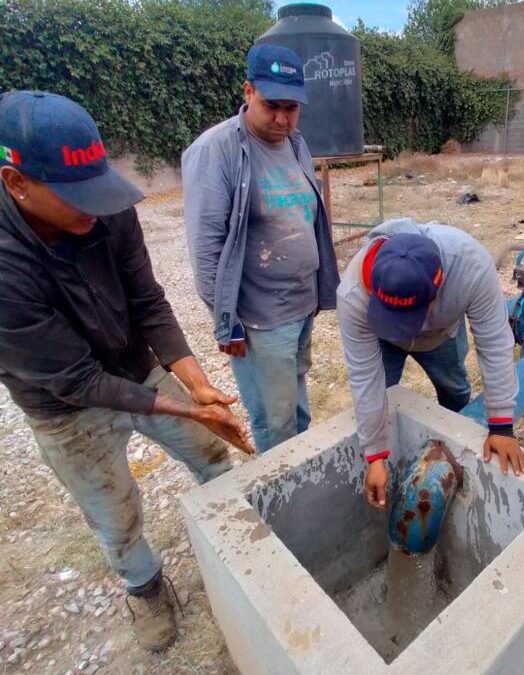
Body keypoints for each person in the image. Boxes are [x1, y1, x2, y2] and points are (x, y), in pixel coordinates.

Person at [0, 90, 255, 652]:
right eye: (77, 196)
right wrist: (188, 408)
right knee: (113, 512)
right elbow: (78, 380)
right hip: (63, 405)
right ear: (17, 184)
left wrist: (198, 387)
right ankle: (144, 587)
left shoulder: (105, 208)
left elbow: (148, 302)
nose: (95, 208)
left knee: (213, 455)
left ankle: (241, 548)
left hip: (136, 367)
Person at [182, 44, 339, 453]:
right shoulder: (216, 151)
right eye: (272, 106)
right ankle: (282, 489)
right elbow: (206, 247)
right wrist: (226, 320)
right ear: (248, 91)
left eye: (292, 108)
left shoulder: (295, 143)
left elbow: (308, 217)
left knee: (298, 410)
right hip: (261, 320)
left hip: (302, 306)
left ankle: (301, 473)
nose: (282, 119)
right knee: (275, 422)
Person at [336, 218, 524, 508]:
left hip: (442, 335)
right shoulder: (353, 294)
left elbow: (494, 341)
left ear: (438, 290)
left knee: (455, 391)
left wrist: (501, 424)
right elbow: (364, 375)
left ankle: (457, 441)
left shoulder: (469, 265)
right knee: (382, 397)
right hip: (383, 340)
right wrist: (375, 455)